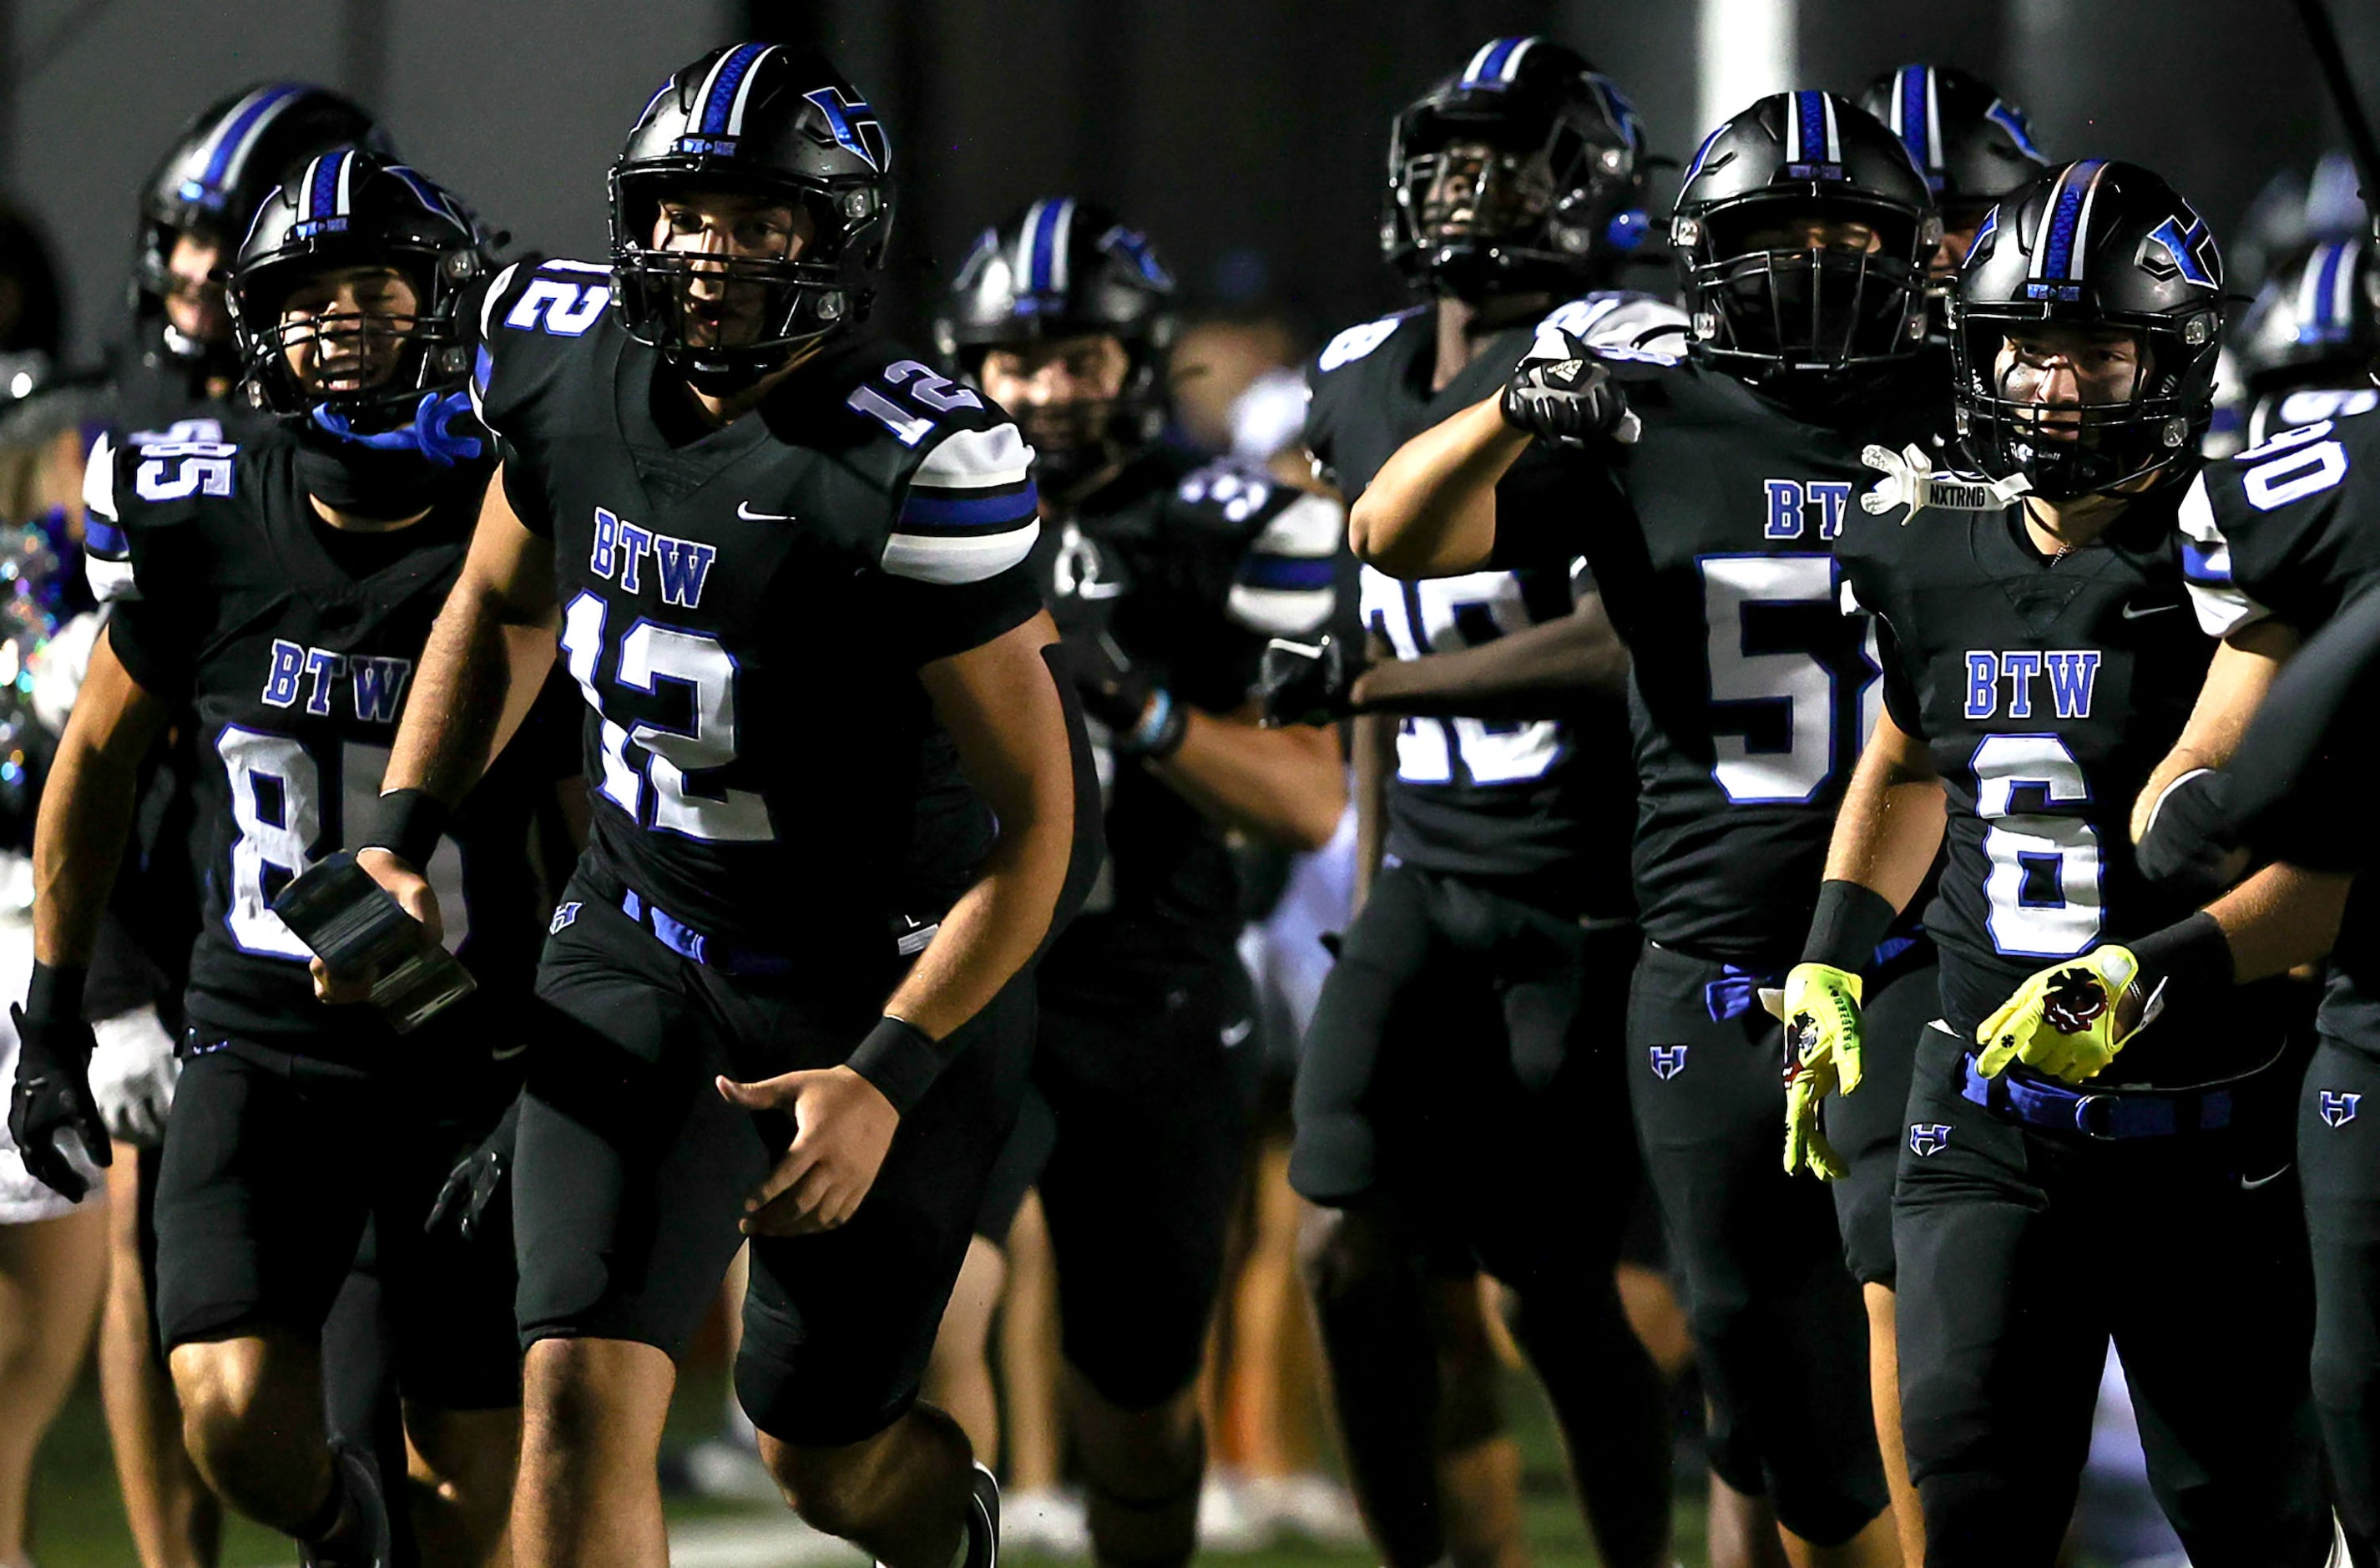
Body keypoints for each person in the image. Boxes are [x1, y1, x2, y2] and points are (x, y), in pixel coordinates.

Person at [354, 43, 1094, 1568]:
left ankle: (938, 1519)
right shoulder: (563, 366)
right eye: (685, 213)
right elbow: (499, 607)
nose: (710, 255)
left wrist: (884, 1072)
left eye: (761, 221)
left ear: (839, 239)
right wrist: (402, 831)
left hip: (884, 976)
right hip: (639, 940)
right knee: (572, 1385)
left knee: (818, 1449)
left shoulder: (912, 463)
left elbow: (1040, 833)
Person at [1347, 88, 1955, 1565]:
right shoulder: (1648, 405)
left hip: (1917, 947)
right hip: (1704, 956)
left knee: (1905, 1300)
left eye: (1847, 232)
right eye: (1779, 232)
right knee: (1761, 1371)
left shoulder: (1963, 404)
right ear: (1704, 253)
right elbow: (1395, 533)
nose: (1814, 263)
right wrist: (1509, 404)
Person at [1798, 156, 2332, 1563]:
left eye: (2096, 346)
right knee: (1971, 1493)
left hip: (2216, 1118)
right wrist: (1832, 957)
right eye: (2027, 346)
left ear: (2174, 352)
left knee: (2250, 1519)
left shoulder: (2256, 552)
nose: (2053, 384)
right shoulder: (1924, 538)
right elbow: (1912, 757)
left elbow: (2329, 873)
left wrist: (2139, 981)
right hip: (1986, 1111)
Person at [9, 148, 528, 1567]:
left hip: (462, 1045)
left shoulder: (525, 506)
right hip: (258, 1027)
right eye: (313, 295)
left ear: (448, 300)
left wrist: (557, 1053)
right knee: (231, 1411)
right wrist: (56, 1009)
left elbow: (602, 810)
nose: (347, 321)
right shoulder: (197, 502)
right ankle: (342, 1528)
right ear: (258, 326)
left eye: (379, 285)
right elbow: (99, 762)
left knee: (480, 1464)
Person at [1271, 36, 1682, 1568]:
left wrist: (1385, 691)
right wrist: (1367, 872)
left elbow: (1623, 632)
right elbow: (1365, 636)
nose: (1465, 190)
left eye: (1505, 161)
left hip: (1577, 890)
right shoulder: (1359, 369)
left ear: (1582, 184)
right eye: (1449, 159)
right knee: (1336, 1249)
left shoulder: (1629, 355)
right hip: (1425, 878)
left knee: (1551, 1295)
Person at [926, 195, 1345, 1568]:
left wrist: (1142, 706)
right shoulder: (902, 503)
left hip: (1148, 990)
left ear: (1139, 359)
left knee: (1142, 1407)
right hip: (961, 973)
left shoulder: (1228, 525)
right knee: (926, 1329)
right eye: (1020, 359)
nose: (1046, 391)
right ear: (967, 360)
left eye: (1080, 359)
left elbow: (1307, 796)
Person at [2125, 195, 2380, 1562]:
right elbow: (2190, 787)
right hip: (2374, 1008)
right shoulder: (2317, 487)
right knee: (2357, 1389)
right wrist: (2233, 811)